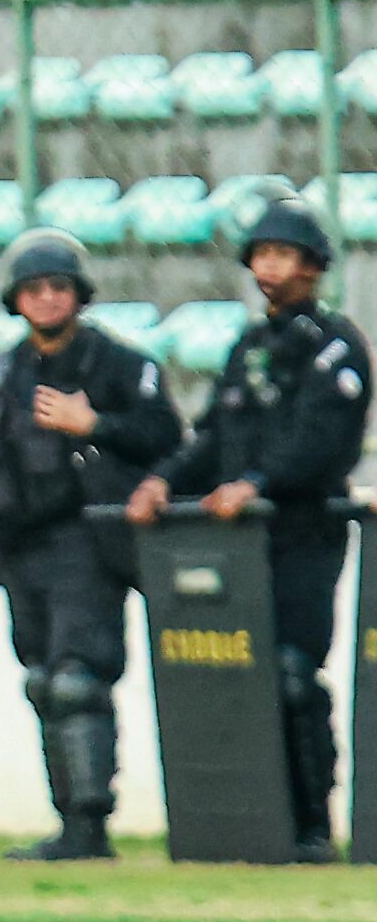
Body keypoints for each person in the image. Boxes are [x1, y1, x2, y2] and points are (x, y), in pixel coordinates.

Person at [129, 199, 370, 863]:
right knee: (236, 675)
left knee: (293, 672)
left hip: (304, 534)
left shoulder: (335, 347)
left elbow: (323, 444)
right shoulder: (249, 347)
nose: (270, 268)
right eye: (261, 255)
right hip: (237, 544)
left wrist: (258, 483)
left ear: (313, 266)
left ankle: (311, 826)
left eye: (283, 255)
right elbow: (213, 437)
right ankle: (249, 825)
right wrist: (162, 481)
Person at [0, 230, 182, 861]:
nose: (48, 298)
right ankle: (66, 822)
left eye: (59, 287)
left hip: (88, 539)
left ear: (80, 295)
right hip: (21, 546)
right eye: (34, 289)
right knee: (43, 682)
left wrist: (96, 425)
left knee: (79, 680)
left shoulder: (119, 364)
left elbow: (168, 438)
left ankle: (89, 827)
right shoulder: (4, 371)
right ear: (16, 299)